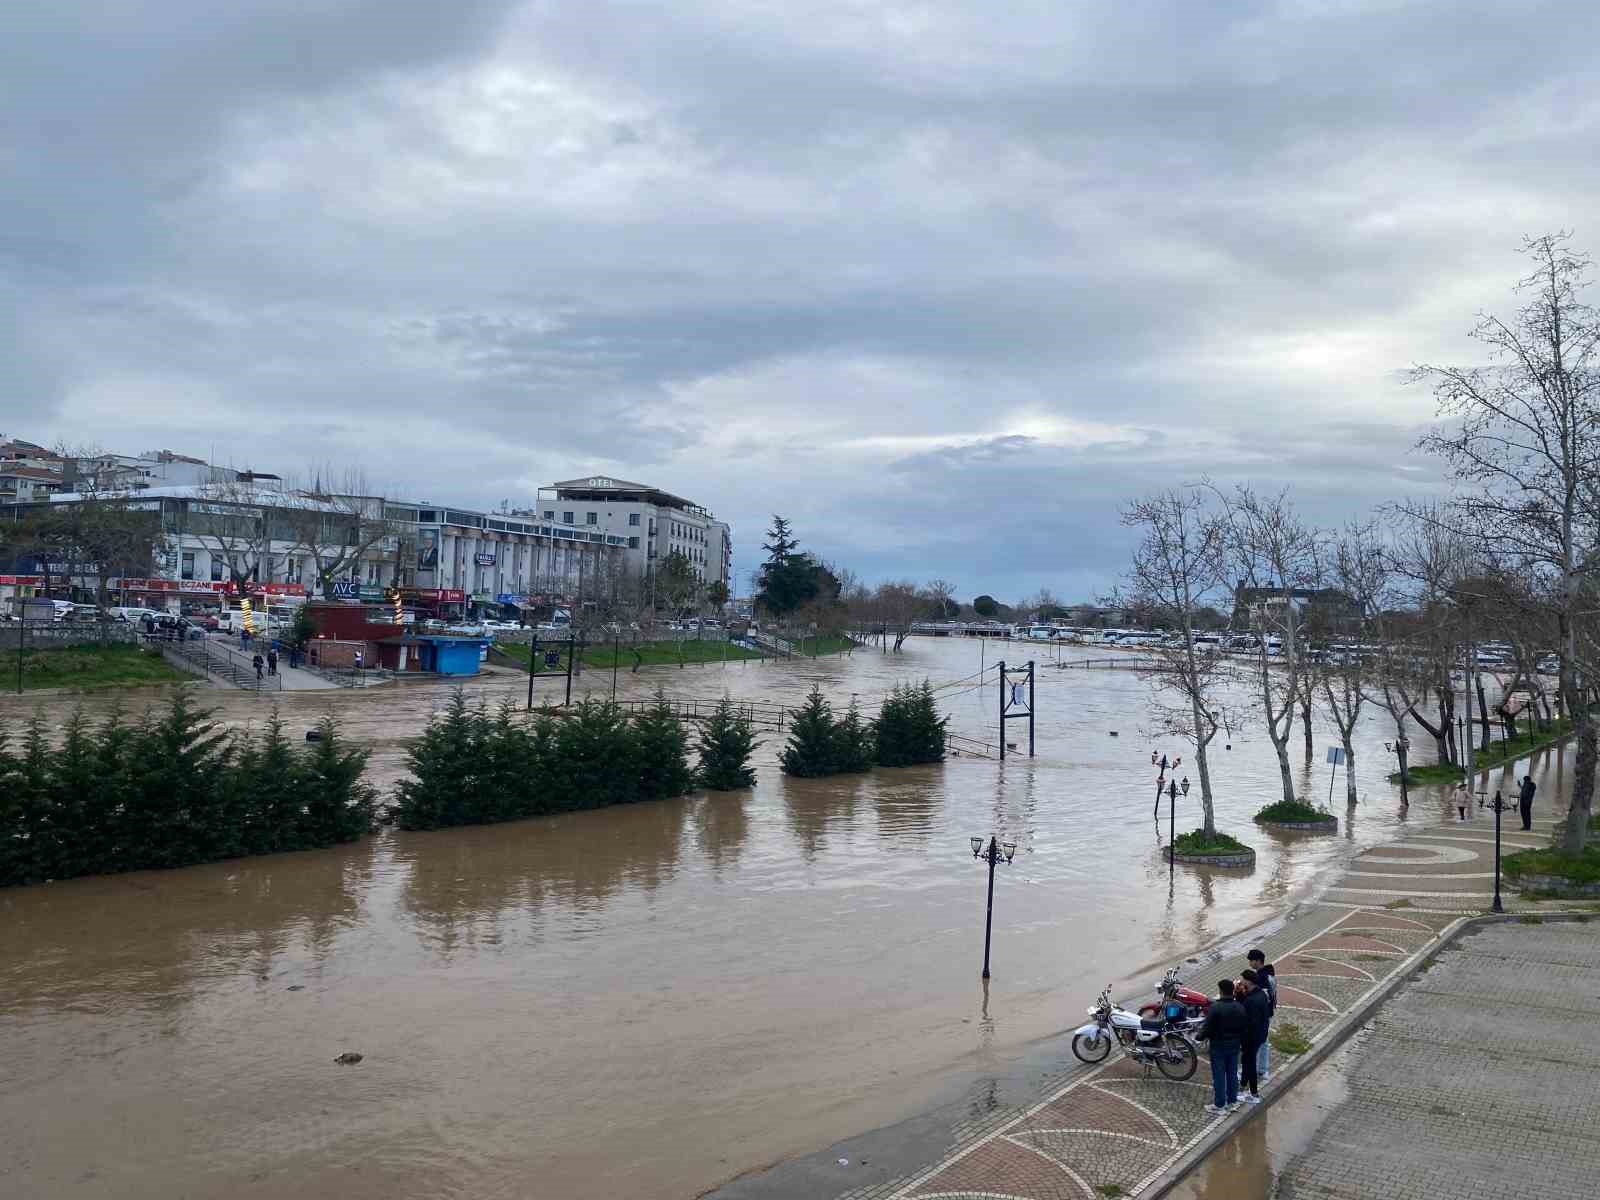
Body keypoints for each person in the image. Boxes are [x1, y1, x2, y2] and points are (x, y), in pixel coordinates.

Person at [1195, 978, 1246, 1115]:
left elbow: (1207, 1027)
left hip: (1218, 1046)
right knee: (1232, 1074)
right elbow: (1244, 1027)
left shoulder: (1216, 1008)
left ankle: (1219, 1105)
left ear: (1221, 991)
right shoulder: (1240, 1007)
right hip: (1234, 1046)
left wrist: (1199, 1037)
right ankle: (1232, 1101)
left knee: (1219, 1076)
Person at [1238, 970, 1270, 1104]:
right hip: (1260, 1035)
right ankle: (1242, 1087)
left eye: (1242, 979)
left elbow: (1248, 1021)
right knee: (1247, 1062)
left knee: (1249, 1064)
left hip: (1251, 1038)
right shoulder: (1260, 994)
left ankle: (1254, 1093)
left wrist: (1242, 1038)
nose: (1241, 982)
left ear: (1248, 981)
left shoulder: (1252, 1000)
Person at [1247, 949, 1276, 1081]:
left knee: (1255, 1042)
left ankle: (1254, 1069)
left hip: (1260, 1015)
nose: (1249, 963)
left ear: (1258, 961)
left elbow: (1261, 998)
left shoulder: (1261, 978)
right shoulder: (1269, 974)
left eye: (1251, 960)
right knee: (1263, 1041)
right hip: (1267, 1013)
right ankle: (1263, 1070)